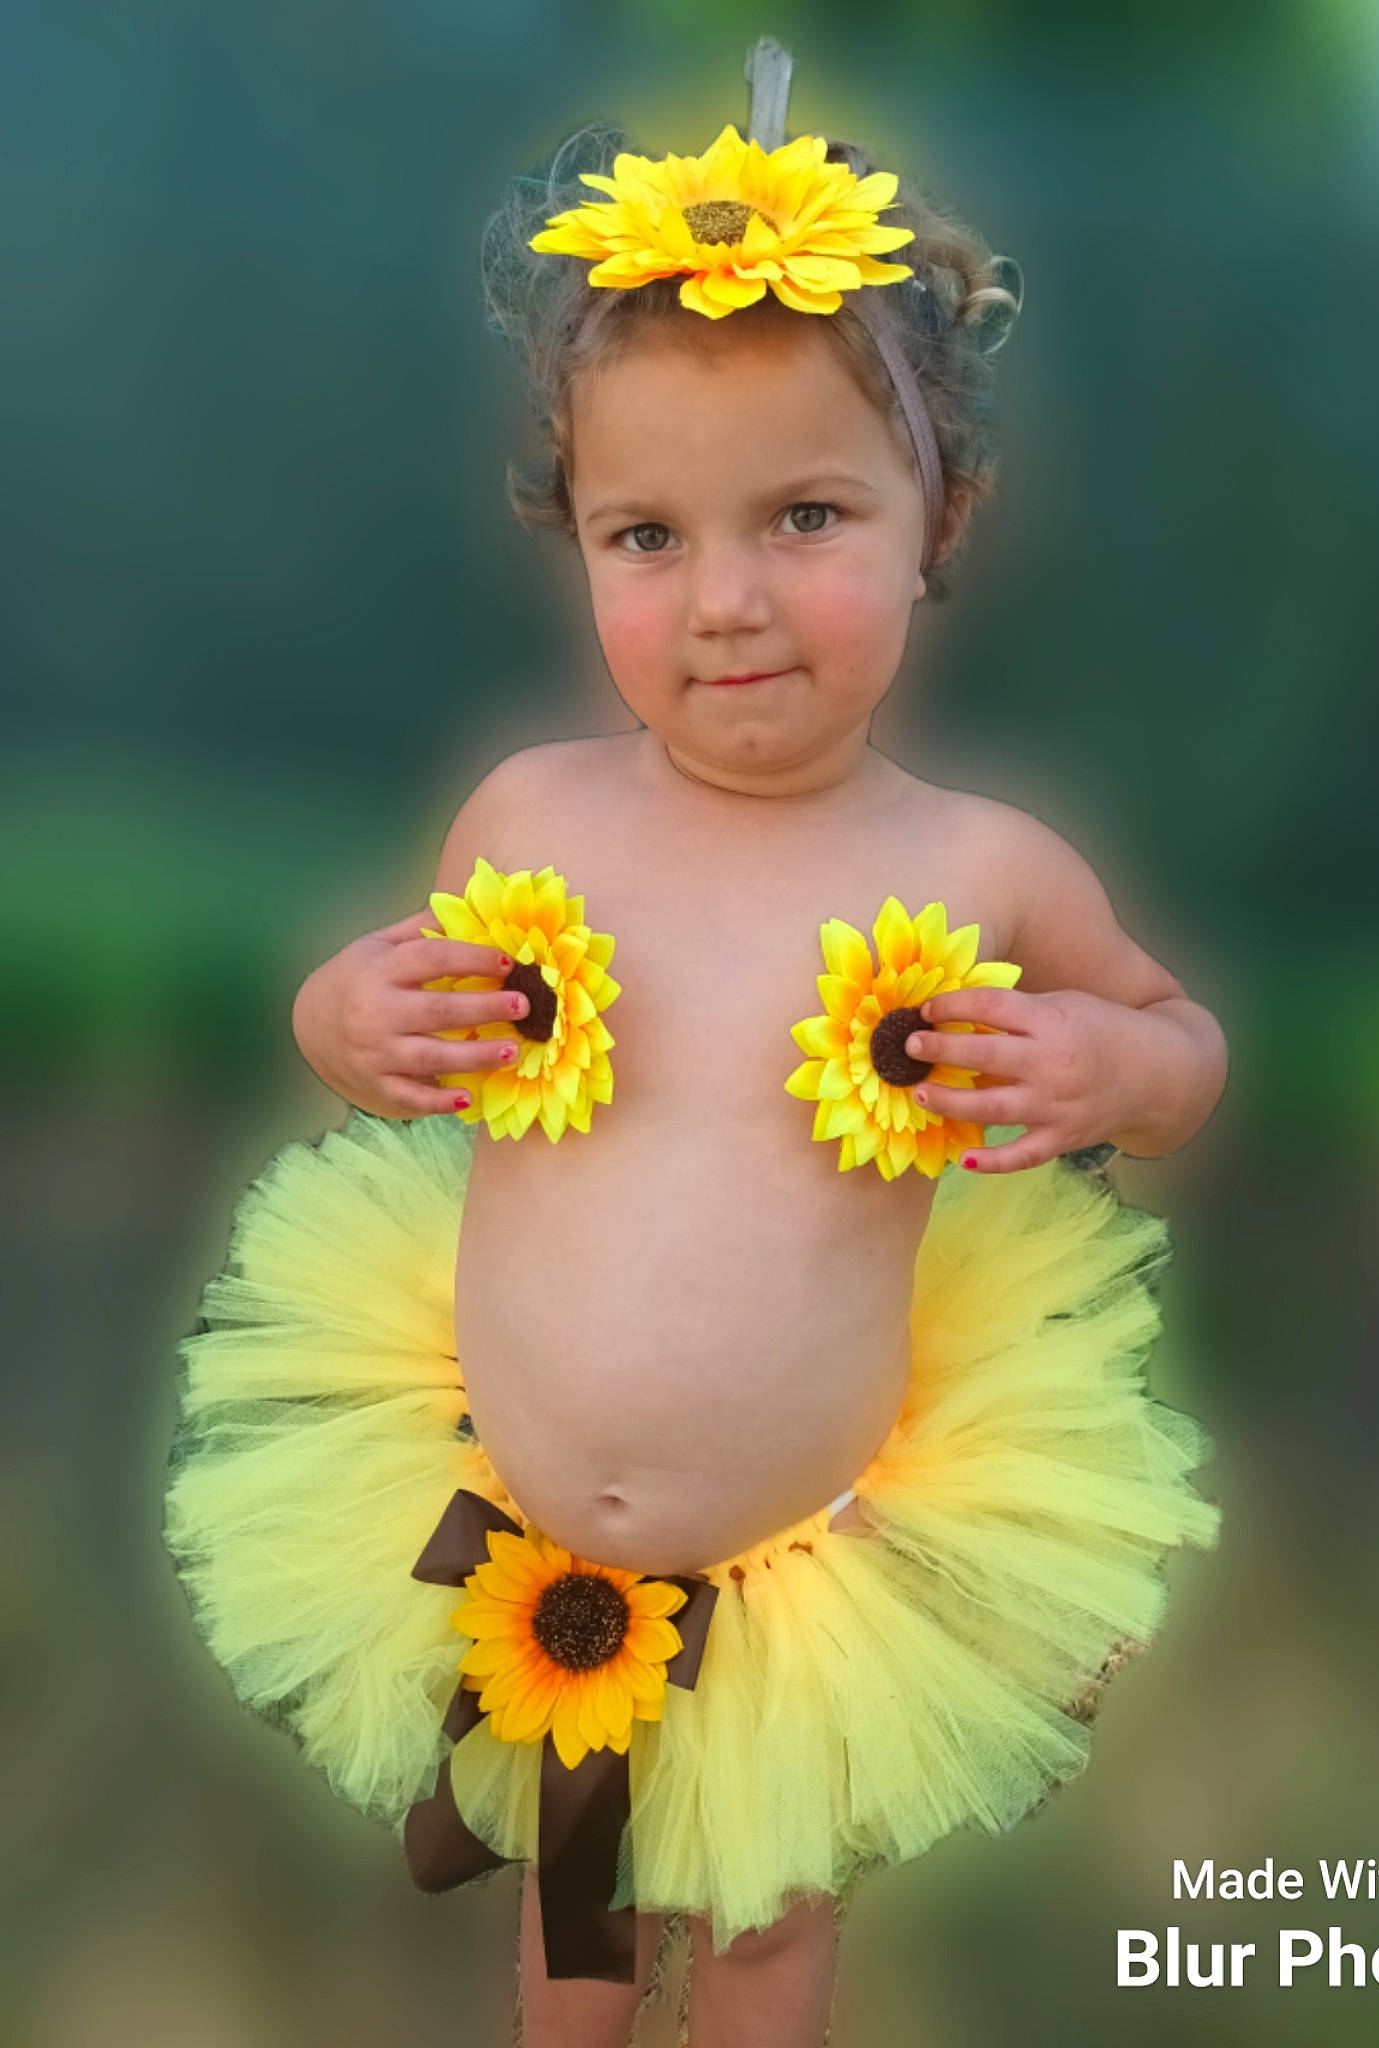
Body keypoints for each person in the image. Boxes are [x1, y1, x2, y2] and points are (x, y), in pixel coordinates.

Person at [163, 77, 1226, 2048]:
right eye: (648, 532)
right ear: (571, 533)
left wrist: (1104, 1058)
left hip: (813, 1566)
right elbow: (384, 1005)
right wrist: (348, 1021)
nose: (726, 598)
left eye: (807, 515)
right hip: (529, 1543)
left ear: (943, 525)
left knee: (757, 1937)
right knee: (571, 1935)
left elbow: (1183, 1044)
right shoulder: (527, 817)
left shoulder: (977, 865)